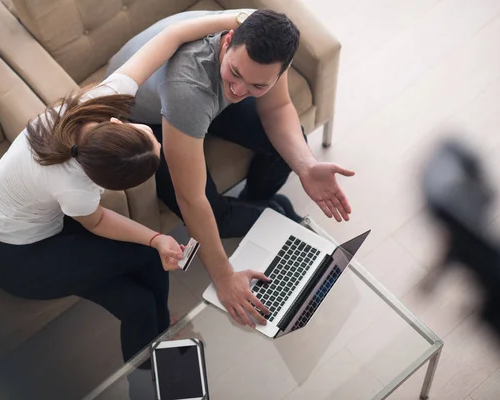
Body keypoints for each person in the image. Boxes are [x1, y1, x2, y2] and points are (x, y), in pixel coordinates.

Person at [0, 13, 243, 365]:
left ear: (118, 124)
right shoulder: (72, 184)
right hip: (16, 260)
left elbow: (174, 34)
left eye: (147, 135)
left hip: (44, 222)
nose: (154, 135)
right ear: (102, 183)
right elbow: (98, 221)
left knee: (142, 298)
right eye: (153, 136)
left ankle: (157, 334)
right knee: (143, 279)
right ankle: (150, 359)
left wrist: (239, 18)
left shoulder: (102, 101)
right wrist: (155, 239)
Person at [105, 9, 356, 329]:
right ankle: (271, 213)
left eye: (257, 84)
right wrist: (224, 277)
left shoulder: (274, 45)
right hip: (148, 118)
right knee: (214, 212)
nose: (238, 90)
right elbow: (191, 198)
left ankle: (257, 201)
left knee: (293, 148)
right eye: (234, 73)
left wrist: (306, 166)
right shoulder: (188, 87)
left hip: (206, 101)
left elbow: (278, 108)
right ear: (226, 42)